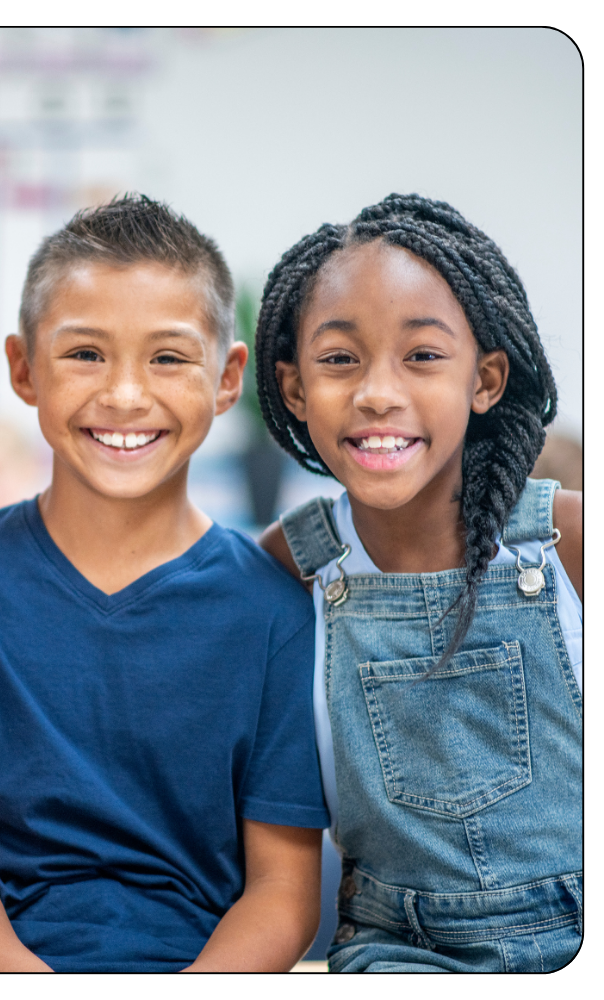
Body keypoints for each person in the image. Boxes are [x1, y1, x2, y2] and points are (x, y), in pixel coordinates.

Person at [0, 195, 329, 972]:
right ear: (24, 369)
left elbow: (283, 892)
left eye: (168, 357)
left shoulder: (276, 612)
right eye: (86, 354)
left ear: (227, 379)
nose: (126, 394)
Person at [256, 194, 582, 972]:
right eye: (339, 359)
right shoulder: (284, 568)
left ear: (488, 379)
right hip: (395, 948)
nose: (377, 392)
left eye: (423, 356)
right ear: (294, 389)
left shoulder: (569, 542)